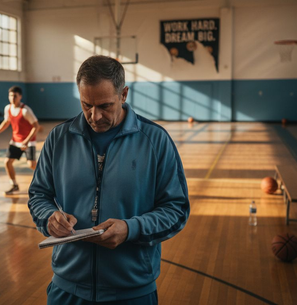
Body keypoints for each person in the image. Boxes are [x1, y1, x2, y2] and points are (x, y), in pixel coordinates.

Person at [28, 56, 190, 305]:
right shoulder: (59, 138)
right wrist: (49, 217)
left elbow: (176, 209)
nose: (94, 116)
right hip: (66, 289)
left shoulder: (155, 140)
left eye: (105, 106)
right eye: (86, 105)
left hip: (132, 291)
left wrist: (131, 229)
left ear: (123, 94)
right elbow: (38, 195)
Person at [0, 86, 40, 195]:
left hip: (28, 141)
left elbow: (36, 126)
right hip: (15, 140)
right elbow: (6, 122)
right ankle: (14, 185)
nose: (12, 98)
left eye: (15, 96)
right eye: (11, 95)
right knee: (7, 162)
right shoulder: (8, 108)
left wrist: (26, 141)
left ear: (20, 97)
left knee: (31, 165)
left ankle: (47, 180)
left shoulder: (25, 110)